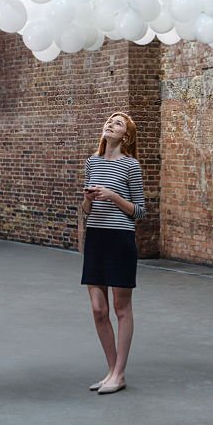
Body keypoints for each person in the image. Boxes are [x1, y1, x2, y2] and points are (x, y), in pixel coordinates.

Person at [79, 111, 145, 395]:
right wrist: (88, 199)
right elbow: (85, 212)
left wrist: (114, 196)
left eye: (117, 123)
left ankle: (119, 374)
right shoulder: (92, 162)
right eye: (108, 121)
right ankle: (111, 371)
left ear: (126, 135)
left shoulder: (131, 166)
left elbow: (140, 211)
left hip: (120, 240)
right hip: (95, 238)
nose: (110, 124)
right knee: (97, 309)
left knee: (121, 309)